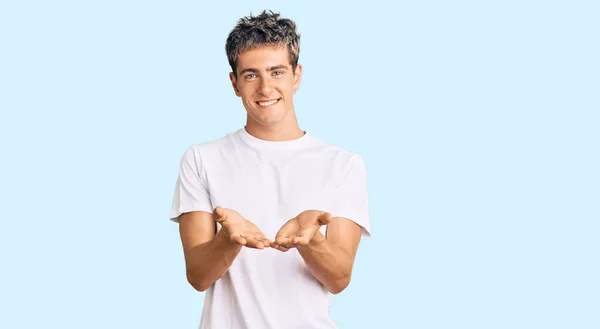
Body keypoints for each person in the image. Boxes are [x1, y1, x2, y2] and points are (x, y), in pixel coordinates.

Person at [169, 10, 371, 329]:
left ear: (297, 76)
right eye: (251, 75)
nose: (265, 88)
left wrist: (312, 242)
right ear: (235, 83)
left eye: (276, 72)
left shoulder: (344, 164)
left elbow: (339, 278)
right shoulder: (201, 158)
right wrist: (228, 240)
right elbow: (197, 276)